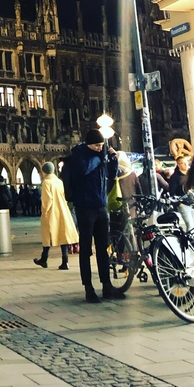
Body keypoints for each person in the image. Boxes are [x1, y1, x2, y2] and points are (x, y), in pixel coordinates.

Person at [62, 129, 121, 303]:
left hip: (101, 206)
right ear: (89, 144)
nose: (99, 148)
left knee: (103, 248)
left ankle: (107, 284)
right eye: (97, 145)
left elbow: (111, 174)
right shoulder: (79, 155)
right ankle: (88, 287)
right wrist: (100, 157)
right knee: (86, 250)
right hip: (85, 207)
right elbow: (84, 170)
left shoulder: (100, 155)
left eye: (101, 146)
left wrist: (113, 159)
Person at [34, 162, 78, 270]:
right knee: (62, 236)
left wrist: (44, 212)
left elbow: (47, 200)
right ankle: (65, 261)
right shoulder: (58, 181)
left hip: (52, 212)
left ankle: (44, 259)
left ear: (44, 171)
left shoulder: (46, 182)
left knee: (47, 236)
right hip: (62, 210)